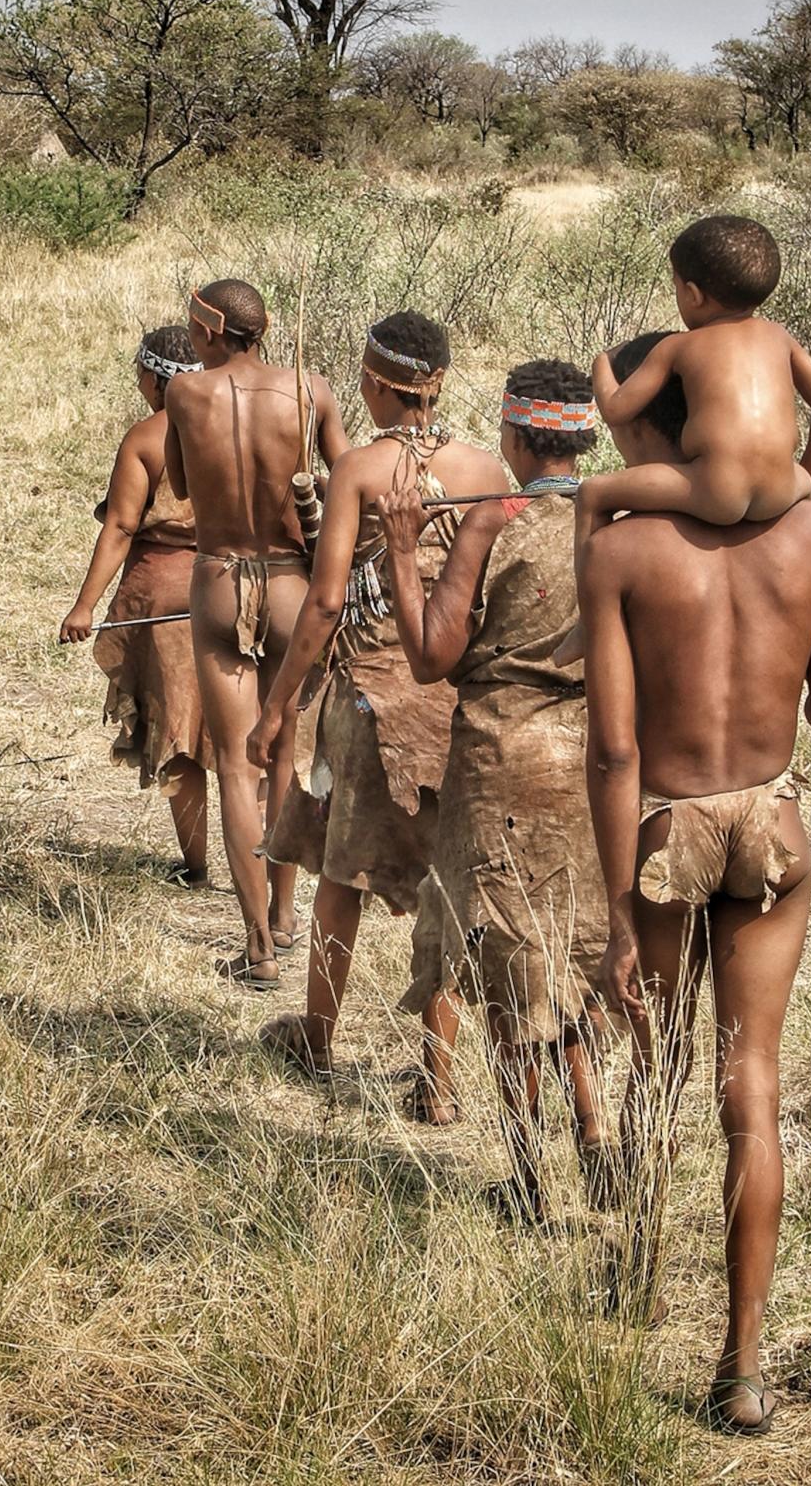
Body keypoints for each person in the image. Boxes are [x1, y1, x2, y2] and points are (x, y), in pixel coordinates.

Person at [581, 331, 811, 1437]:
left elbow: (611, 752)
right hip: (771, 824)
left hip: (666, 829)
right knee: (753, 1095)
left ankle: (641, 1278)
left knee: (656, 1059)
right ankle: (741, 1365)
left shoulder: (623, 549)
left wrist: (611, 920)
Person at [247, 311, 508, 1119]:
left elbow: (326, 604)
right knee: (449, 884)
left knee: (338, 869)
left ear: (371, 380)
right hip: (457, 700)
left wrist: (281, 703)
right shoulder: (486, 467)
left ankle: (319, 1036)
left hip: (364, 698)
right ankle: (439, 1078)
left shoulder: (360, 468)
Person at [377, 360, 614, 1214]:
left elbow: (431, 655)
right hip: (594, 756)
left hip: (501, 758)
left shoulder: (493, 518)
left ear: (515, 439)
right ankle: (595, 1133)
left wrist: (404, 550)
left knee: (507, 964)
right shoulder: (616, 511)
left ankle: (527, 1179)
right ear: (584, 436)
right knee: (573, 953)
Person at [164, 278, 348, 990]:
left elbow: (181, 487)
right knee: (285, 757)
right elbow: (350, 479)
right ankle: (282, 914)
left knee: (237, 763)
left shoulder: (185, 395)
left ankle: (258, 948)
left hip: (218, 578)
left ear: (211, 332)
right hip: (294, 584)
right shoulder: (312, 391)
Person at [557, 216, 811, 666]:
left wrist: (601, 364)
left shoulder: (681, 347)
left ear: (692, 294)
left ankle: (589, 625)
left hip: (713, 490)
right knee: (806, 489)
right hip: (782, 489)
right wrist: (807, 473)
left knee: (593, 494)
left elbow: (616, 409)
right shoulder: (781, 338)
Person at [60, 326, 215, 886]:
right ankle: (271, 894)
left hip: (168, 601)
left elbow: (122, 525)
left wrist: (84, 606)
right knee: (250, 745)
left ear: (155, 380)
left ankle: (197, 867)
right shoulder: (239, 425)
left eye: (141, 373)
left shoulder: (146, 439)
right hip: (245, 589)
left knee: (179, 738)